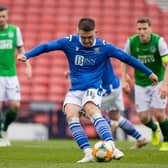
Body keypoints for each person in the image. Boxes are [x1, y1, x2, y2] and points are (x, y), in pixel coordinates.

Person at [17, 17, 158, 162]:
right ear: (77, 32)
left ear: (96, 32)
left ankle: (112, 147)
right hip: (75, 90)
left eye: (90, 37)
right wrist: (27, 55)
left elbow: (127, 58)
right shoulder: (69, 42)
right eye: (83, 38)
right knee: (71, 115)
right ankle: (88, 153)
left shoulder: (104, 47)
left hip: (94, 88)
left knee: (91, 109)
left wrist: (149, 72)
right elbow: (46, 47)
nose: (87, 41)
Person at [121, 17, 168, 151]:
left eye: (144, 29)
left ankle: (166, 141)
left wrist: (165, 84)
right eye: (139, 29)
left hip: (158, 81)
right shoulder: (131, 42)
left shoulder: (159, 42)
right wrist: (124, 79)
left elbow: (167, 64)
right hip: (140, 83)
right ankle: (154, 129)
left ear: (150, 29)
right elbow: (123, 60)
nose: (141, 32)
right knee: (142, 117)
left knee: (159, 114)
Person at [0, 6, 32, 147]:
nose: (1, 19)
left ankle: (4, 129)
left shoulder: (14, 30)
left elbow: (21, 49)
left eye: (3, 16)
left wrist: (28, 66)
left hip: (11, 75)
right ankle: (1, 136)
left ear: (7, 17)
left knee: (15, 106)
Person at [101, 59, 147, 149]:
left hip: (107, 88)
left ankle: (111, 123)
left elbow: (124, 56)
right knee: (115, 116)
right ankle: (140, 138)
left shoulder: (94, 52)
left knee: (86, 110)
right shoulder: (100, 50)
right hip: (114, 85)